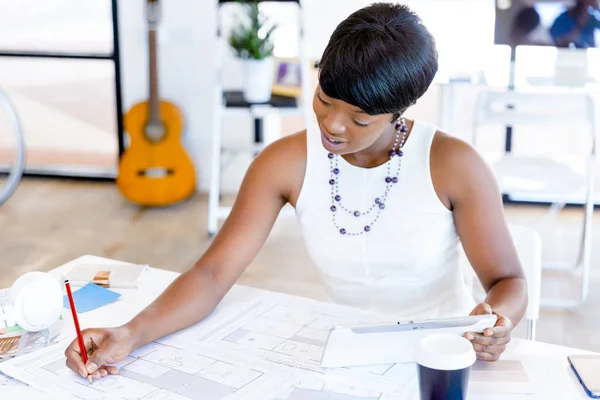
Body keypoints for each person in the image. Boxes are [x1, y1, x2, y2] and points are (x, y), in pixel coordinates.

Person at [65, 3, 528, 380]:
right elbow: (211, 276)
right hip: (342, 352)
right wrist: (132, 331)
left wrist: (496, 320)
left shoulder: (454, 165)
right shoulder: (284, 162)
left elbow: (509, 281)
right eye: (325, 98)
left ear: (398, 113)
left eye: (360, 119)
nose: (332, 125)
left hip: (439, 354)